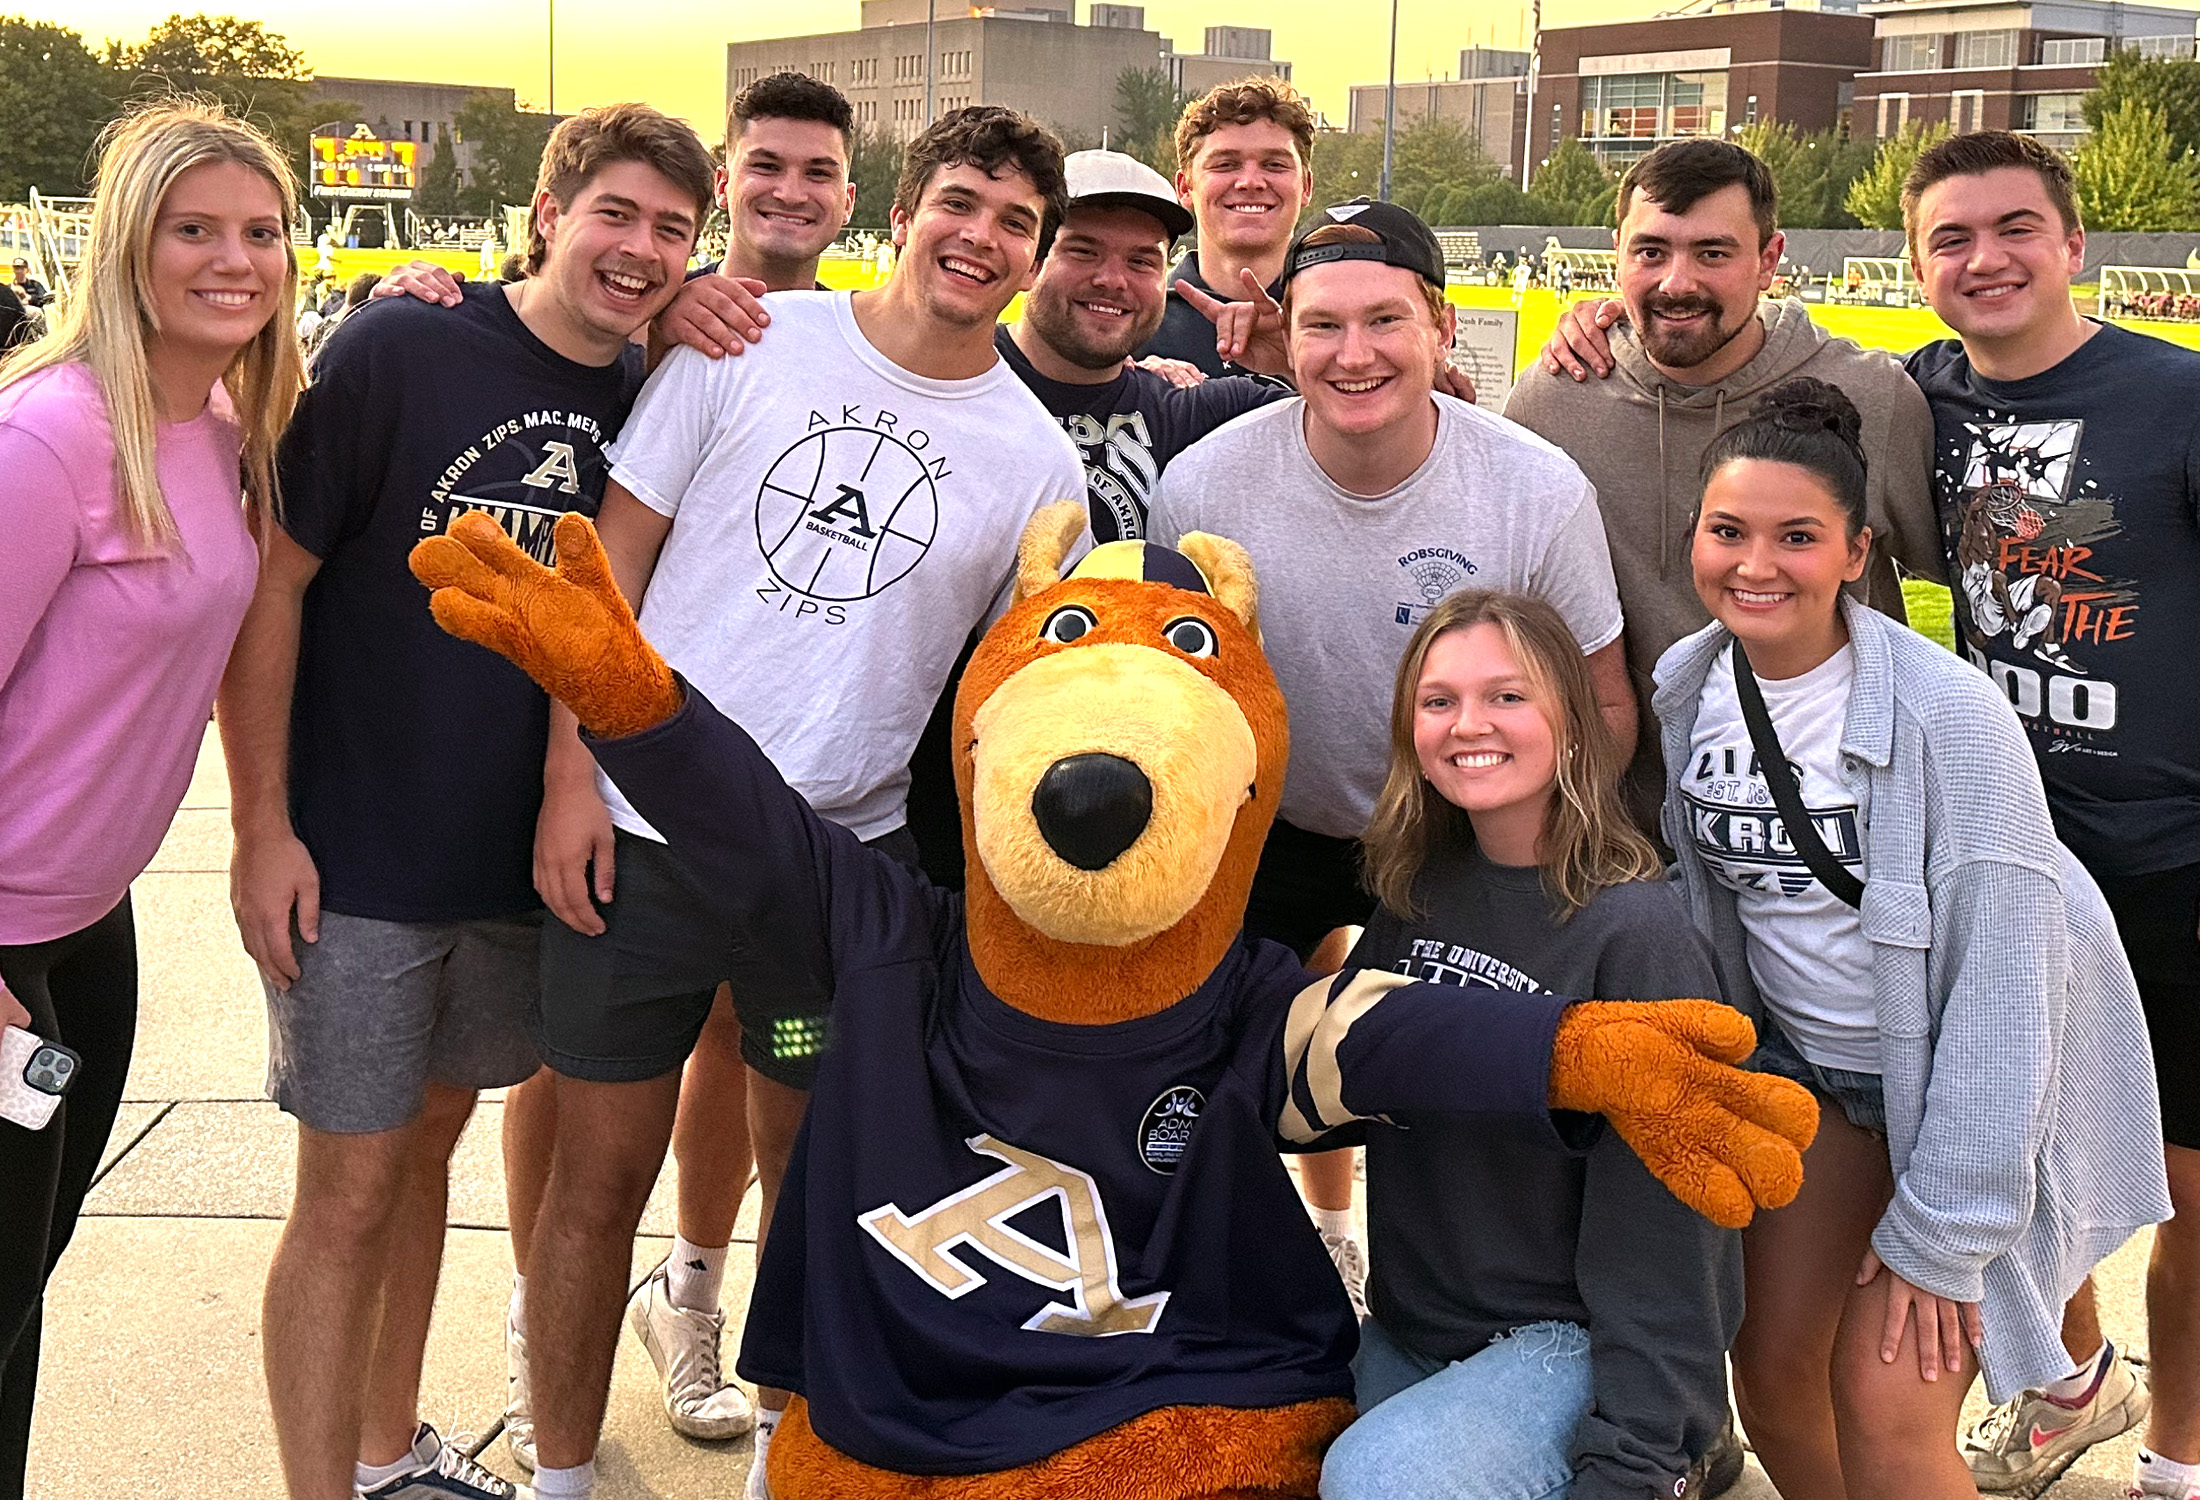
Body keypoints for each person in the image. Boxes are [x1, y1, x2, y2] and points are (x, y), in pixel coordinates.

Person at [516, 104, 1082, 1500]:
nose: (981, 236)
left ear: (1035, 256)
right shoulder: (748, 343)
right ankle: (563, 1472)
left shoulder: (1035, 460)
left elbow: (1019, 698)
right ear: (906, 206)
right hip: (642, 841)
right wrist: (568, 780)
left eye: (1014, 221)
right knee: (597, 1185)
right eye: (961, 201)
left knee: (813, 1185)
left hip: (832, 867)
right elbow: (606, 579)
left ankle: (791, 1456)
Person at [219, 102, 712, 1500]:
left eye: (673, 229)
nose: (639, 250)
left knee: (427, 1144)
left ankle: (386, 1455)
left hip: (521, 868)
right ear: (550, 211)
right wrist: (263, 825)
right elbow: (275, 581)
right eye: (615, 213)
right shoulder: (402, 342)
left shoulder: (656, 388)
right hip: (360, 853)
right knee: (346, 1195)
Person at [1655, 377, 2168, 1500]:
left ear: (1856, 552)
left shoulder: (1948, 716)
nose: (1756, 564)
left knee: (1888, 1398)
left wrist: (1943, 1235)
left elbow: (2006, 987)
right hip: (1826, 1074)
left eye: (1797, 537)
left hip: (1978, 1085)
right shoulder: (1686, 687)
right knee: (1774, 1374)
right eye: (1728, 531)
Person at [1149, 201, 1631, 1312]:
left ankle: (1489, 1310)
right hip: (1273, 820)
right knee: (1210, 1073)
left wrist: (1548, 867)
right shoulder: (1209, 486)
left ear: (1440, 327)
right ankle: (1239, 1286)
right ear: (1285, 333)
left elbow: (1600, 703)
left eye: (1383, 322)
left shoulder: (1531, 485)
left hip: (1460, 826)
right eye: (1321, 326)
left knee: (1464, 1084)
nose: (1352, 355)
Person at [0, 98, 303, 1500]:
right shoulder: (48, 442)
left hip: (89, 932)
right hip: (2, 950)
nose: (235, 260)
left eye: (261, 231)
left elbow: (243, 649)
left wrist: (262, 829)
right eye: (197, 230)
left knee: (25, 1282)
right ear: (129, 246)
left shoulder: (229, 424)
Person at [1893, 130, 2200, 1500]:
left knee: (2188, 1188)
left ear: (2075, 246)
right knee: (2018, 1156)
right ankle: (2076, 1384)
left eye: (2015, 227)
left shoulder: (2173, 398)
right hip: (2013, 854)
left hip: (2175, 853)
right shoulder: (1915, 396)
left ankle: (2180, 1464)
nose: (1985, 258)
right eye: (1951, 237)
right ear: (1917, 264)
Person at [1317, 591, 1742, 1500]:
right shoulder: (1413, 894)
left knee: (1378, 1483)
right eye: (1439, 702)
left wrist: (1637, 1453)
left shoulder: (1638, 935)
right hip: (1411, 1329)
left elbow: (1670, 1231)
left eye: (1508, 696)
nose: (1470, 724)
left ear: (1572, 723)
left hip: (1565, 1339)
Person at [1510, 139, 1945, 834]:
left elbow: (1977, 590)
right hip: (1620, 834)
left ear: (1769, 260)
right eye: (1651, 251)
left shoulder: (1871, 396)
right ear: (1616, 251)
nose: (1676, 281)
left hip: (1830, 833)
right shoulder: (1552, 399)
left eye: (1712, 253)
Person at [1138, 76, 1317, 376]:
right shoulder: (1135, 321)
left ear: (1306, 186)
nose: (1250, 182)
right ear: (1184, 187)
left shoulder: (1344, 321)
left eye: (1274, 164)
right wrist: (1136, 389)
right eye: (1225, 164)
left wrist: (1297, 370)